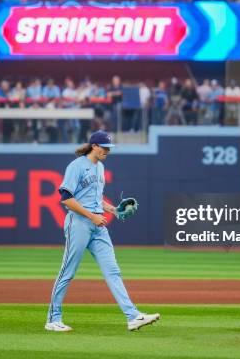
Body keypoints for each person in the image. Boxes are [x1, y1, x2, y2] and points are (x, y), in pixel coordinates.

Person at [46, 131, 160, 332]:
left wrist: (114, 210)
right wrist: (92, 216)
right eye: (105, 147)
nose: (108, 151)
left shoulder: (100, 167)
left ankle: (133, 316)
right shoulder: (76, 166)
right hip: (79, 223)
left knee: (113, 271)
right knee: (68, 271)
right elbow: (66, 198)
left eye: (109, 148)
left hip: (98, 225)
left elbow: (95, 198)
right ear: (94, 146)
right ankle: (53, 319)